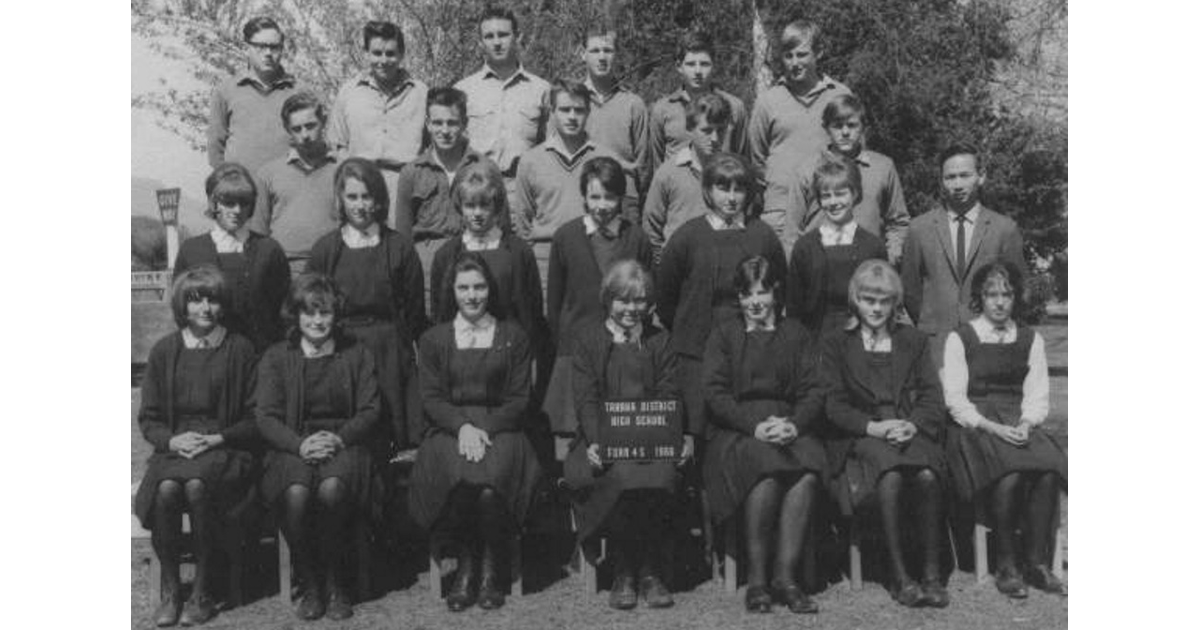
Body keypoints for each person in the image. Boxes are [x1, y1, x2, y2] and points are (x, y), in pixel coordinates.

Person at [409, 253, 541, 612]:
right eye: (463, 287)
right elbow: (432, 398)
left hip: (502, 429)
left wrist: (483, 428)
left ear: (490, 289)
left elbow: (518, 399)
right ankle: (465, 565)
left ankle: (487, 570)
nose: (472, 295)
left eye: (479, 286)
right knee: (456, 476)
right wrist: (463, 427)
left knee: (491, 482)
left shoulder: (513, 335)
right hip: (449, 430)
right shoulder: (434, 339)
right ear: (451, 291)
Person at [135, 267, 260, 627]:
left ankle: (204, 589)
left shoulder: (240, 349)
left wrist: (218, 438)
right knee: (167, 489)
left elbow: (256, 417)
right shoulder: (165, 351)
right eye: (195, 299)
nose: (205, 307)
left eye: (213, 299)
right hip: (176, 448)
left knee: (195, 485)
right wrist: (172, 440)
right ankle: (172, 590)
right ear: (182, 305)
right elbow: (150, 418)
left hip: (225, 446)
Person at [821, 260, 948, 608]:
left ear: (895, 303)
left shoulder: (914, 341)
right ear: (855, 301)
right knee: (889, 474)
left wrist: (913, 424)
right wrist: (873, 427)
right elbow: (832, 405)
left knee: (926, 474)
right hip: (862, 437)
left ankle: (932, 575)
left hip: (909, 431)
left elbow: (931, 396)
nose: (876, 309)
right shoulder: (836, 342)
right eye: (868, 300)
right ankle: (900, 576)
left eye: (884, 301)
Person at [702, 255, 826, 614]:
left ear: (776, 293)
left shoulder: (796, 333)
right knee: (766, 467)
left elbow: (814, 390)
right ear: (738, 297)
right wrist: (754, 426)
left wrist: (794, 425)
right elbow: (714, 392)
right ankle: (756, 580)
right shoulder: (724, 334)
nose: (755, 302)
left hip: (788, 427)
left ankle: (785, 578)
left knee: (808, 468)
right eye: (746, 294)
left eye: (762, 292)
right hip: (737, 432)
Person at [256, 273, 380, 621]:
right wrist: (299, 445)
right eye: (309, 313)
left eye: (325, 313)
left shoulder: (357, 353)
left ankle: (338, 583)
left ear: (335, 315)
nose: (317, 321)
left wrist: (339, 438)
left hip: (345, 444)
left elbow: (371, 409)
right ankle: (311, 584)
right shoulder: (277, 357)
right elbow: (266, 416)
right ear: (296, 316)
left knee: (332, 489)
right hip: (293, 446)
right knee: (295, 492)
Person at [941, 261, 1067, 597]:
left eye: (1006, 295)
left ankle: (1036, 563)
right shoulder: (962, 337)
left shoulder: (1030, 339)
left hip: (1018, 421)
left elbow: (1037, 395)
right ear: (980, 298)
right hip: (975, 426)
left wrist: (1027, 423)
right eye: (991, 294)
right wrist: (992, 427)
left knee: (1047, 471)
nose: (999, 302)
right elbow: (955, 399)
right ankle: (1007, 564)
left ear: (1015, 298)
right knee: (1009, 474)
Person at [564, 260, 684, 610]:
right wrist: (597, 442)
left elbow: (669, 394)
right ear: (608, 299)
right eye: (623, 300)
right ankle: (623, 570)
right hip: (598, 441)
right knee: (618, 475)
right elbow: (586, 399)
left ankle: (648, 571)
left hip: (651, 440)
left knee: (660, 474)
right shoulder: (588, 340)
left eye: (640, 301)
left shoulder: (660, 341)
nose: (631, 309)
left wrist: (658, 437)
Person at [656, 152, 785, 438]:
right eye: (723, 188)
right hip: (695, 350)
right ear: (708, 191)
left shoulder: (762, 236)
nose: (731, 197)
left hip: (747, 349)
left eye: (739, 189)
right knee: (696, 426)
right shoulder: (687, 236)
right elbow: (666, 296)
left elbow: (779, 291)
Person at [307, 158, 428, 456]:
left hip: (389, 353)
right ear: (340, 200)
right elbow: (310, 306)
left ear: (378, 199)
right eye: (352, 197)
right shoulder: (326, 249)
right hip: (342, 352)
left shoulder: (399, 247)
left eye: (367, 196)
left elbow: (413, 311)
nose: (360, 205)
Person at [543, 157, 653, 438]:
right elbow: (555, 303)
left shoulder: (636, 239)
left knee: (617, 427)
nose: (602, 205)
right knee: (573, 428)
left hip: (622, 348)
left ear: (621, 198)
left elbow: (646, 299)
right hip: (575, 346)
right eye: (595, 197)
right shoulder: (565, 237)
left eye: (610, 197)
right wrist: (562, 347)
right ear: (584, 196)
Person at [428, 160, 551, 411]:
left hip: (508, 359)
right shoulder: (446, 255)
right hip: (463, 361)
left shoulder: (518, 252)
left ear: (496, 207)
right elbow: (441, 317)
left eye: (484, 204)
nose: (477, 213)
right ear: (459, 207)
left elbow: (532, 315)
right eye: (470, 205)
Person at [901, 144, 1027, 365]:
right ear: (941, 181)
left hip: (989, 343)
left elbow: (1019, 289)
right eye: (950, 177)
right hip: (936, 345)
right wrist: (932, 322)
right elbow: (911, 290)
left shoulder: (1004, 229)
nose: (957, 184)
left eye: (965, 175)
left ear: (981, 177)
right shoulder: (919, 229)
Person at [512, 79, 637, 292]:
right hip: (545, 260)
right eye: (564, 109)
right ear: (552, 111)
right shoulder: (531, 161)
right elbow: (523, 222)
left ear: (588, 112)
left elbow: (621, 214)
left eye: (578, 110)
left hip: (596, 254)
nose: (571, 117)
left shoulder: (606, 158)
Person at [764, 94, 908, 262]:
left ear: (863, 127)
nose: (845, 132)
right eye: (838, 126)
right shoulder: (807, 170)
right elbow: (792, 233)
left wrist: (890, 258)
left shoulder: (882, 167)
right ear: (826, 128)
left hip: (868, 268)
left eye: (852, 125)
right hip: (820, 266)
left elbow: (898, 222)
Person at [174, 163, 289, 353]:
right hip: (207, 358)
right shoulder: (191, 251)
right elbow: (180, 310)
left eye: (244, 203)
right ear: (214, 203)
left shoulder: (269, 250)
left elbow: (283, 310)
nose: (237, 210)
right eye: (229, 202)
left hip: (259, 360)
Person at [395, 88, 495, 298]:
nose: (445, 130)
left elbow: (500, 226)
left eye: (452, 123)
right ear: (428, 124)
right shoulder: (411, 172)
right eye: (438, 123)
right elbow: (403, 240)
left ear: (464, 124)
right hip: (427, 273)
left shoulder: (486, 168)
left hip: (475, 270)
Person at [454, 6, 551, 209]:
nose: (497, 42)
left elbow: (548, 147)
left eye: (503, 35)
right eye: (489, 36)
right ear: (480, 42)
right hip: (475, 191)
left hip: (523, 192)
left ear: (517, 36)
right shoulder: (463, 90)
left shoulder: (541, 90)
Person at [785, 155, 887, 339]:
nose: (833, 202)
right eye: (826, 196)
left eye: (840, 193)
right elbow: (794, 309)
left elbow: (883, 305)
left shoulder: (873, 247)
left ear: (855, 194)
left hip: (861, 344)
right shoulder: (805, 247)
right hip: (815, 345)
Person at [328, 20, 430, 202]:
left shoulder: (421, 93)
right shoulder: (349, 93)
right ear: (366, 54)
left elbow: (432, 146)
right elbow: (338, 145)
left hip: (407, 186)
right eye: (377, 53)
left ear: (401, 54)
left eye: (390, 54)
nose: (383, 61)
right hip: (361, 187)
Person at [250, 92, 341, 269]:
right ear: (287, 130)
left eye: (310, 126)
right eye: (297, 129)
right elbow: (258, 234)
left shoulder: (343, 169)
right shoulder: (268, 174)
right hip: (283, 268)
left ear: (323, 122)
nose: (305, 135)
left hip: (332, 266)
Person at [747, 19, 852, 170]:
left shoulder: (840, 95)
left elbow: (854, 148)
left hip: (828, 192)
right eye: (788, 56)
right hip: (781, 193)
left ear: (819, 52)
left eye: (801, 55)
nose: (794, 63)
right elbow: (757, 159)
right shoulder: (767, 102)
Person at [642, 92, 732, 264]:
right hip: (679, 269)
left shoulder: (733, 173)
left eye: (720, 130)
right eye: (706, 130)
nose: (714, 138)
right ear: (690, 130)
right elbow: (651, 228)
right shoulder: (668, 173)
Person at [207, 17, 301, 174]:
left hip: (287, 191)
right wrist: (228, 181)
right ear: (246, 48)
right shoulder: (226, 91)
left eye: (275, 47)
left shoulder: (299, 92)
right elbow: (215, 147)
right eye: (261, 47)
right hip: (242, 190)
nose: (268, 53)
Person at [648, 31, 748, 174]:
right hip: (679, 192)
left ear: (714, 65)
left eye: (704, 64)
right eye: (690, 64)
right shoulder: (663, 109)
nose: (698, 71)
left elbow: (743, 160)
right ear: (679, 66)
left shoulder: (734, 107)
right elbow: (657, 165)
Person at [579, 25, 650, 199]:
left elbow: (644, 165)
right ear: (583, 54)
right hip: (582, 196)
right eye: (595, 51)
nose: (602, 57)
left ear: (616, 54)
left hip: (625, 198)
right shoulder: (572, 102)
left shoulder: (633, 104)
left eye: (608, 50)